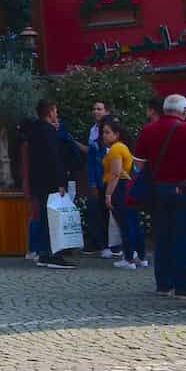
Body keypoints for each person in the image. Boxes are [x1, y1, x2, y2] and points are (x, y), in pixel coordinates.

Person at [133, 94, 186, 298]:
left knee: (163, 236)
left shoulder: (148, 130)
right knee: (184, 238)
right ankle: (183, 285)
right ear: (185, 111)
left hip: (160, 188)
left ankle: (163, 284)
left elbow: (139, 162)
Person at [26, 100, 74, 269]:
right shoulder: (48, 132)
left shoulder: (34, 130)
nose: (57, 115)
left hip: (38, 181)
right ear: (50, 112)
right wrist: (60, 182)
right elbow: (54, 158)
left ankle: (43, 252)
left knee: (44, 217)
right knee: (52, 219)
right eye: (55, 111)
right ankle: (51, 254)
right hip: (50, 182)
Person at [100, 119, 146, 269]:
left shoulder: (116, 149)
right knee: (133, 222)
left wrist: (108, 195)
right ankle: (140, 256)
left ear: (116, 134)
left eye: (107, 132)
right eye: (103, 132)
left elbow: (115, 173)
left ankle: (128, 258)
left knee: (125, 224)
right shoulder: (123, 147)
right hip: (126, 186)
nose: (104, 136)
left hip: (119, 188)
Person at [84, 101, 113, 256]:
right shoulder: (95, 141)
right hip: (100, 181)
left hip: (112, 181)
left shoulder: (117, 141)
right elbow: (91, 163)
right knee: (99, 213)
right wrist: (93, 183)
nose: (96, 111)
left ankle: (114, 244)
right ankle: (102, 243)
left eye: (99, 109)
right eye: (94, 109)